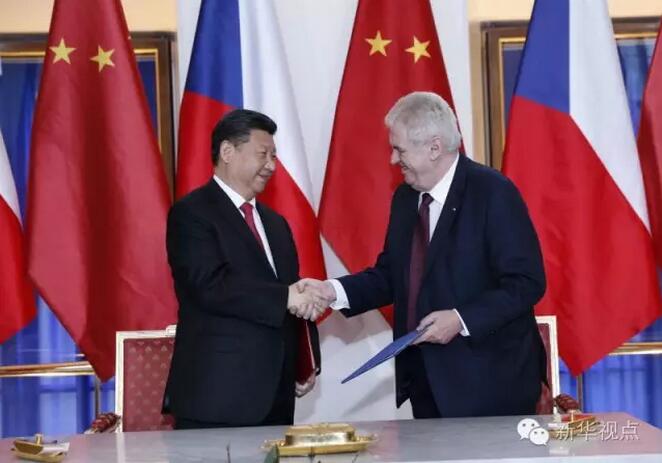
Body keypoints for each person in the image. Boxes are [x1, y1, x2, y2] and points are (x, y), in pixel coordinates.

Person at [304, 92, 547, 418]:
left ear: (434, 148)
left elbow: (526, 283)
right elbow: (392, 275)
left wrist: (460, 319)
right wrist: (332, 291)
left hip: (491, 384)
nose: (393, 159)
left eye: (400, 149)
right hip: (425, 382)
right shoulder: (406, 198)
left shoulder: (493, 192)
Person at [163, 109, 324, 429]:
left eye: (274, 156)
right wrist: (286, 297)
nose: (272, 166)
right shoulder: (191, 213)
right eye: (263, 154)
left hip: (277, 395)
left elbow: (290, 294)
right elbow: (209, 285)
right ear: (227, 152)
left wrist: (306, 360)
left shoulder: (276, 224)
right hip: (217, 398)